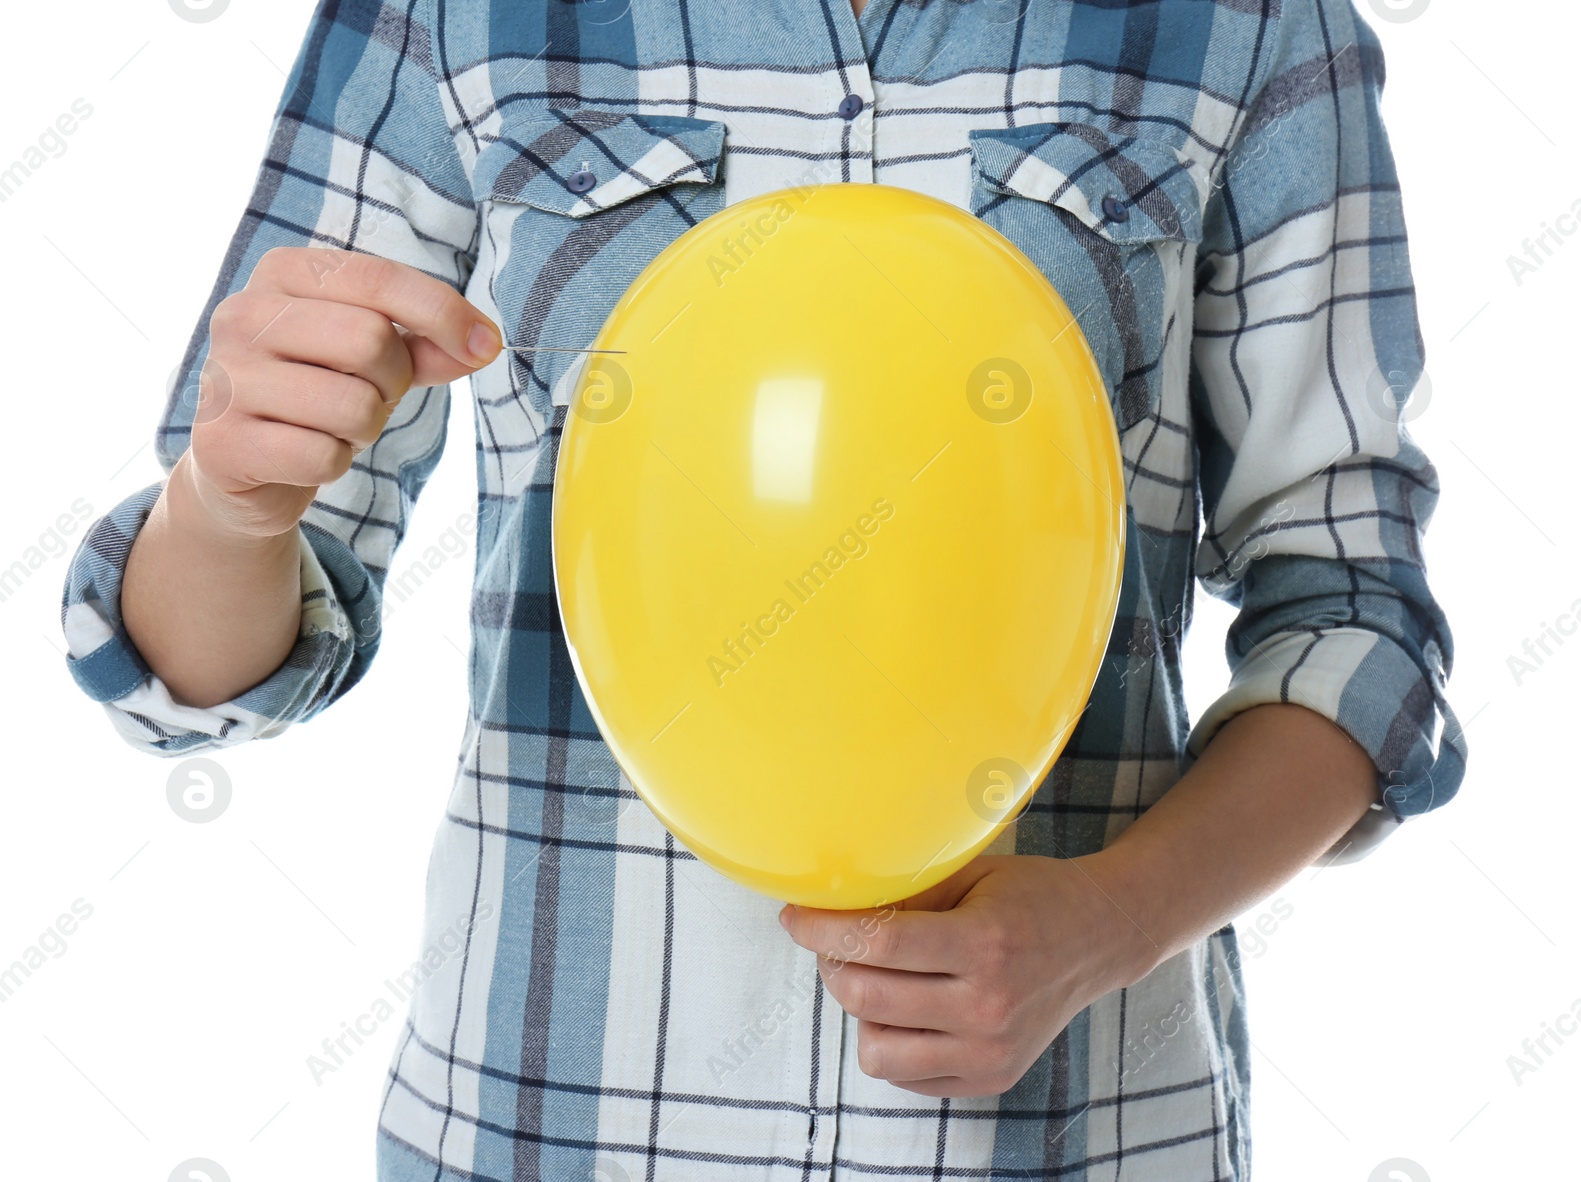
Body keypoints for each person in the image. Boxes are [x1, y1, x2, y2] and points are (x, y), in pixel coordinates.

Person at [59, 0, 1466, 1176]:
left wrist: (1112, 921)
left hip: (1074, 1134)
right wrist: (228, 504)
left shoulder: (1246, 22)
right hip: (548, 1125)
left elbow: (1356, 624)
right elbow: (196, 675)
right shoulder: (447, 13)